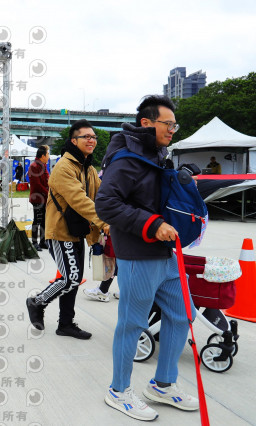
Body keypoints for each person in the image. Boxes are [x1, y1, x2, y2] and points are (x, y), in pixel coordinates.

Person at [95, 95, 199, 421]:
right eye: (168, 124)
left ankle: (163, 385)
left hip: (166, 255)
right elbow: (106, 204)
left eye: (174, 124)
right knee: (133, 325)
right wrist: (153, 224)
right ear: (146, 123)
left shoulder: (157, 154)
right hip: (139, 254)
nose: (172, 129)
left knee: (183, 314)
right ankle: (118, 390)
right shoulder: (126, 159)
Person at [26, 119, 109, 340]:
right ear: (74, 140)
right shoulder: (65, 166)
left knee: (73, 277)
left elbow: (101, 196)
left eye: (94, 137)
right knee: (71, 278)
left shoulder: (88, 167)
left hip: (77, 230)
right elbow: (79, 199)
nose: (91, 140)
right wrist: (105, 222)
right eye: (86, 137)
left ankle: (65, 324)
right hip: (61, 231)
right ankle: (37, 302)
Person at [28, 146, 50, 251]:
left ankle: (43, 241)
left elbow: (47, 181)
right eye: (48, 154)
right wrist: (48, 193)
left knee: (44, 220)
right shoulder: (34, 166)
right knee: (37, 220)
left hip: (44, 198)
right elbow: (36, 185)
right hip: (37, 198)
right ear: (43, 156)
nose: (49, 156)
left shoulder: (43, 166)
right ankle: (34, 242)